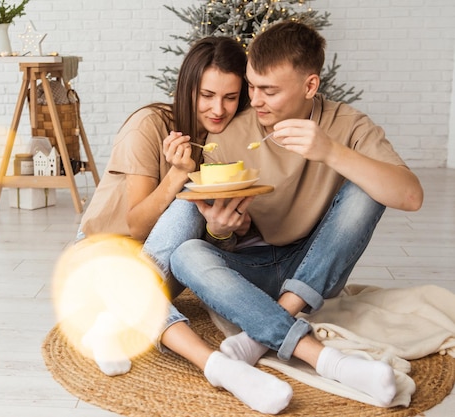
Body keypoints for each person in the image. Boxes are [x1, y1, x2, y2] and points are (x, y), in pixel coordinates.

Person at [168, 20, 424, 408]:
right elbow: (220, 230)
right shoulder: (234, 133)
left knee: (367, 186)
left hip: (313, 269)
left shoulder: (348, 125)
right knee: (185, 254)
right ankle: (326, 359)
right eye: (252, 86)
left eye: (269, 90)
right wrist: (220, 232)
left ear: (310, 86)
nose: (255, 100)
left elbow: (410, 195)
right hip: (250, 271)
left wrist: (333, 153)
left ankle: (261, 332)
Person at [76, 36, 293, 414]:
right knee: (189, 202)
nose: (218, 109)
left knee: (191, 226)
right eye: (207, 95)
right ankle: (217, 366)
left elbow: (213, 238)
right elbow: (138, 225)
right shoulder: (150, 124)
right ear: (188, 87)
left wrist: (227, 228)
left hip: (160, 266)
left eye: (230, 97)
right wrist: (178, 175)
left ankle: (114, 320)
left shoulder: (228, 138)